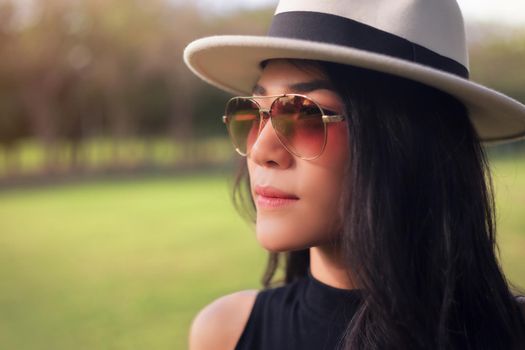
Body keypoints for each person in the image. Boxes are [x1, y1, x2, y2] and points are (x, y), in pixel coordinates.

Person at [183, 0, 525, 349]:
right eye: (254, 112)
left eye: (305, 114)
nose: (260, 151)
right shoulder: (225, 334)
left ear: (406, 142)